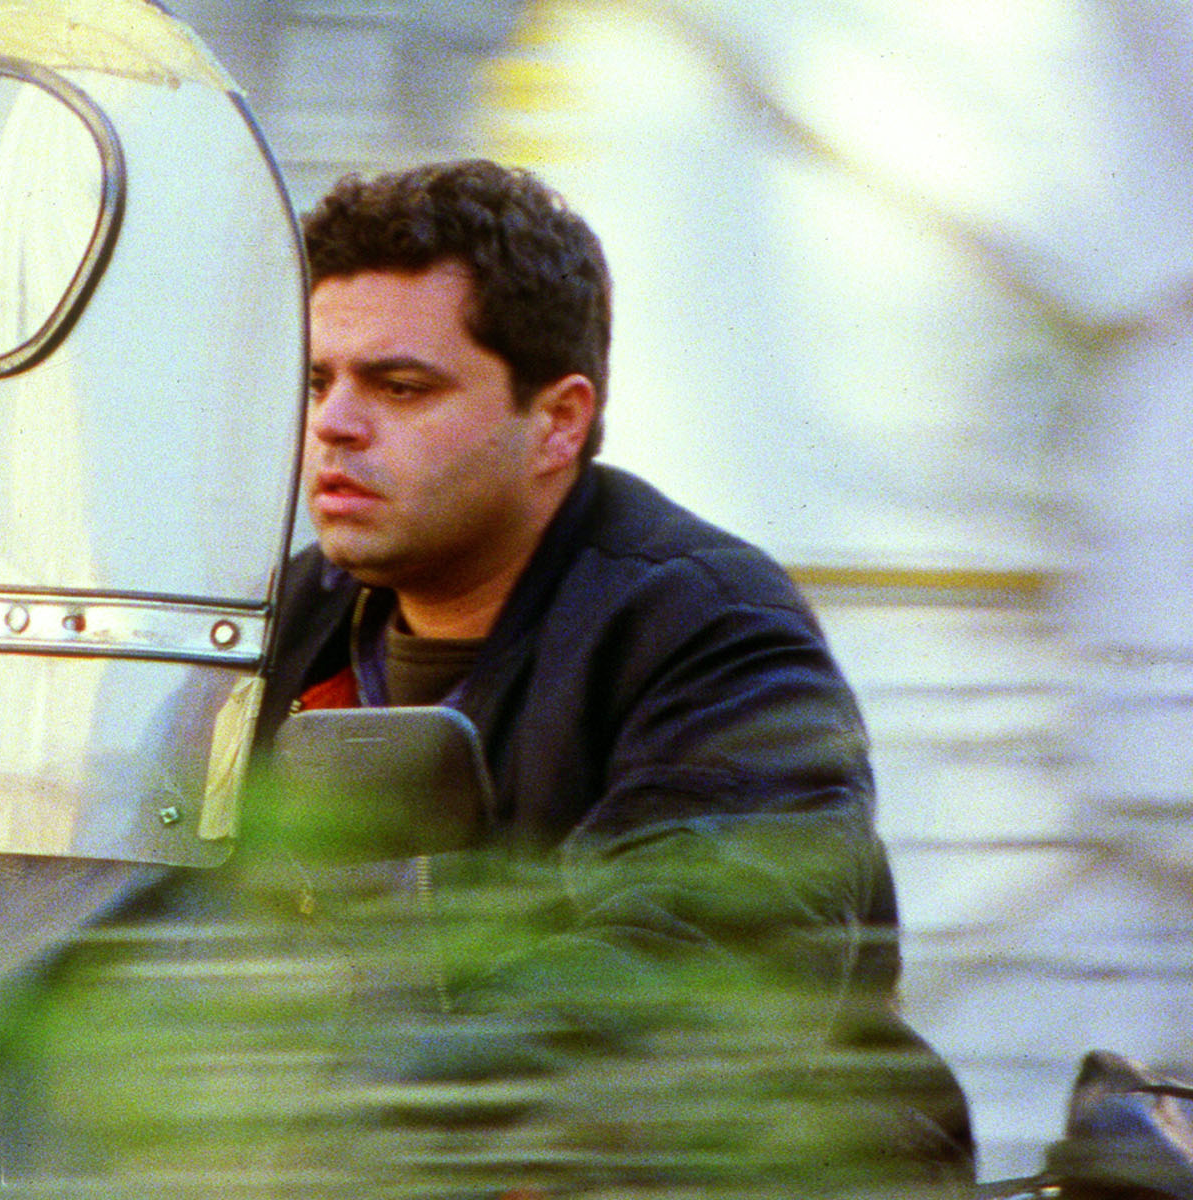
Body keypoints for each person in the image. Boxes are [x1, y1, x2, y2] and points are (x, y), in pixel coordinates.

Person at [244, 158, 977, 1194]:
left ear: (558, 421)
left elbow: (690, 979)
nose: (334, 423)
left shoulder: (712, 633)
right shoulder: (280, 625)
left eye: (400, 387)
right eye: (320, 381)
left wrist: (340, 1111)